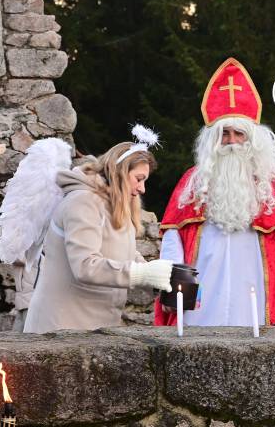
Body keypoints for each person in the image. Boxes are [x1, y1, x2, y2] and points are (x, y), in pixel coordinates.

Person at [154, 57, 275, 327]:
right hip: (202, 299)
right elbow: (173, 240)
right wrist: (174, 291)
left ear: (252, 139)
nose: (232, 141)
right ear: (212, 140)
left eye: (239, 134)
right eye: (225, 134)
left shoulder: (273, 184)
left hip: (256, 296)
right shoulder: (194, 182)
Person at [24, 132, 174, 334]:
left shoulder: (113, 205)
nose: (142, 189)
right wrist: (141, 274)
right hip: (62, 327)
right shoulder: (83, 202)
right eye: (139, 179)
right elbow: (85, 266)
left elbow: (125, 254)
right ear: (119, 172)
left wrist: (157, 279)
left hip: (92, 326)